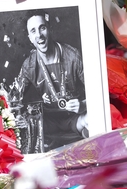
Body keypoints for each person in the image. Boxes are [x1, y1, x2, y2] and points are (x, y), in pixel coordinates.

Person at [13, 10, 88, 151]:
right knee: (22, 128)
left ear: (49, 28)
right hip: (47, 124)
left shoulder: (73, 56)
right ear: (29, 37)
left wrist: (83, 105)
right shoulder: (29, 66)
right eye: (33, 31)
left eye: (42, 28)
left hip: (76, 118)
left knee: (93, 118)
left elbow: (98, 92)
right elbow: (14, 98)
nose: (39, 35)